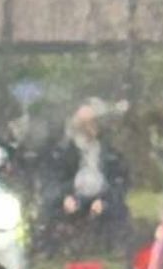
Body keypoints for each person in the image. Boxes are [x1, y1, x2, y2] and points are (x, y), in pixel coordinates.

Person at [40, 100, 131, 258]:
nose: (88, 127)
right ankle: (52, 248)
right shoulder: (63, 150)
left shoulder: (110, 150)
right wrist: (65, 197)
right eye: (83, 123)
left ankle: (114, 247)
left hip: (102, 196)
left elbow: (121, 180)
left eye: (92, 122)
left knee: (119, 209)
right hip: (73, 196)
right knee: (50, 209)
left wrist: (105, 200)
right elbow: (53, 179)